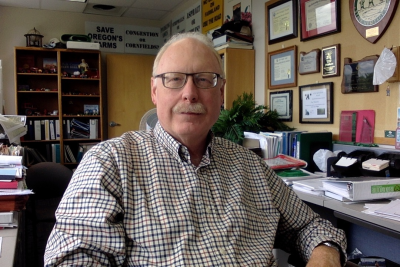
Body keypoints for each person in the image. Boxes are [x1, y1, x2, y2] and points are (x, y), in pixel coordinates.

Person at [44, 32, 346, 266]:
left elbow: (311, 225)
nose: (190, 93)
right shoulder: (110, 162)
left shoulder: (250, 166)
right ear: (154, 91)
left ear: (221, 92)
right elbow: (74, 258)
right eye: (174, 79)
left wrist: (325, 255)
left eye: (204, 79)